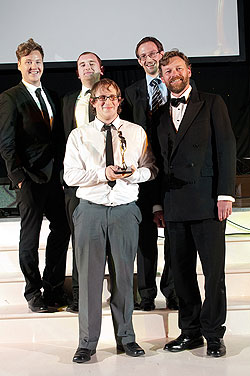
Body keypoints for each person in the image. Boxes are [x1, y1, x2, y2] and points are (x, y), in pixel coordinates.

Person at [64, 78, 158, 363]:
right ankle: (87, 343)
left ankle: (126, 338)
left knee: (123, 279)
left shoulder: (136, 132)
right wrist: (102, 173)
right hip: (90, 210)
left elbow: (150, 169)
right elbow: (69, 176)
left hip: (124, 210)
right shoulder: (79, 136)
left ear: (120, 101)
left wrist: (132, 173)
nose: (107, 102)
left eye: (112, 97)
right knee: (90, 279)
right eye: (101, 98)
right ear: (93, 103)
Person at [157, 50, 236, 357]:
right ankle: (190, 333)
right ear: (162, 78)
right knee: (181, 273)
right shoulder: (160, 113)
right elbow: (159, 163)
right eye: (167, 71)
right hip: (174, 204)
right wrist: (156, 206)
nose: (173, 74)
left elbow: (226, 148)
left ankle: (214, 334)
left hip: (208, 202)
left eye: (178, 68)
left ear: (189, 71)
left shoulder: (212, 102)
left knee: (214, 272)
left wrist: (225, 194)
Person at [0, 38, 70, 313]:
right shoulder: (10, 98)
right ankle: (33, 292)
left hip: (55, 178)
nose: (34, 66)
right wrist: (18, 177)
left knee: (62, 229)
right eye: (28, 62)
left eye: (38, 61)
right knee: (29, 237)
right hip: (28, 178)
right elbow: (6, 143)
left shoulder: (52, 95)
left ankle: (53, 287)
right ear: (19, 65)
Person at [123, 37, 178, 311]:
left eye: (152, 53)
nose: (148, 59)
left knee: (174, 236)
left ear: (161, 54)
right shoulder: (131, 92)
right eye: (142, 56)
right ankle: (146, 294)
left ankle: (171, 289)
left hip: (172, 171)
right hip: (143, 171)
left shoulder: (176, 86)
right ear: (138, 61)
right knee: (145, 237)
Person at [62, 51, 103, 313]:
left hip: (109, 181)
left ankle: (123, 294)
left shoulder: (113, 98)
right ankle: (80, 297)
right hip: (77, 184)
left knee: (111, 243)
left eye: (92, 63)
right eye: (82, 64)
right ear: (77, 72)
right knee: (80, 242)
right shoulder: (68, 101)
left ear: (101, 67)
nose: (87, 67)